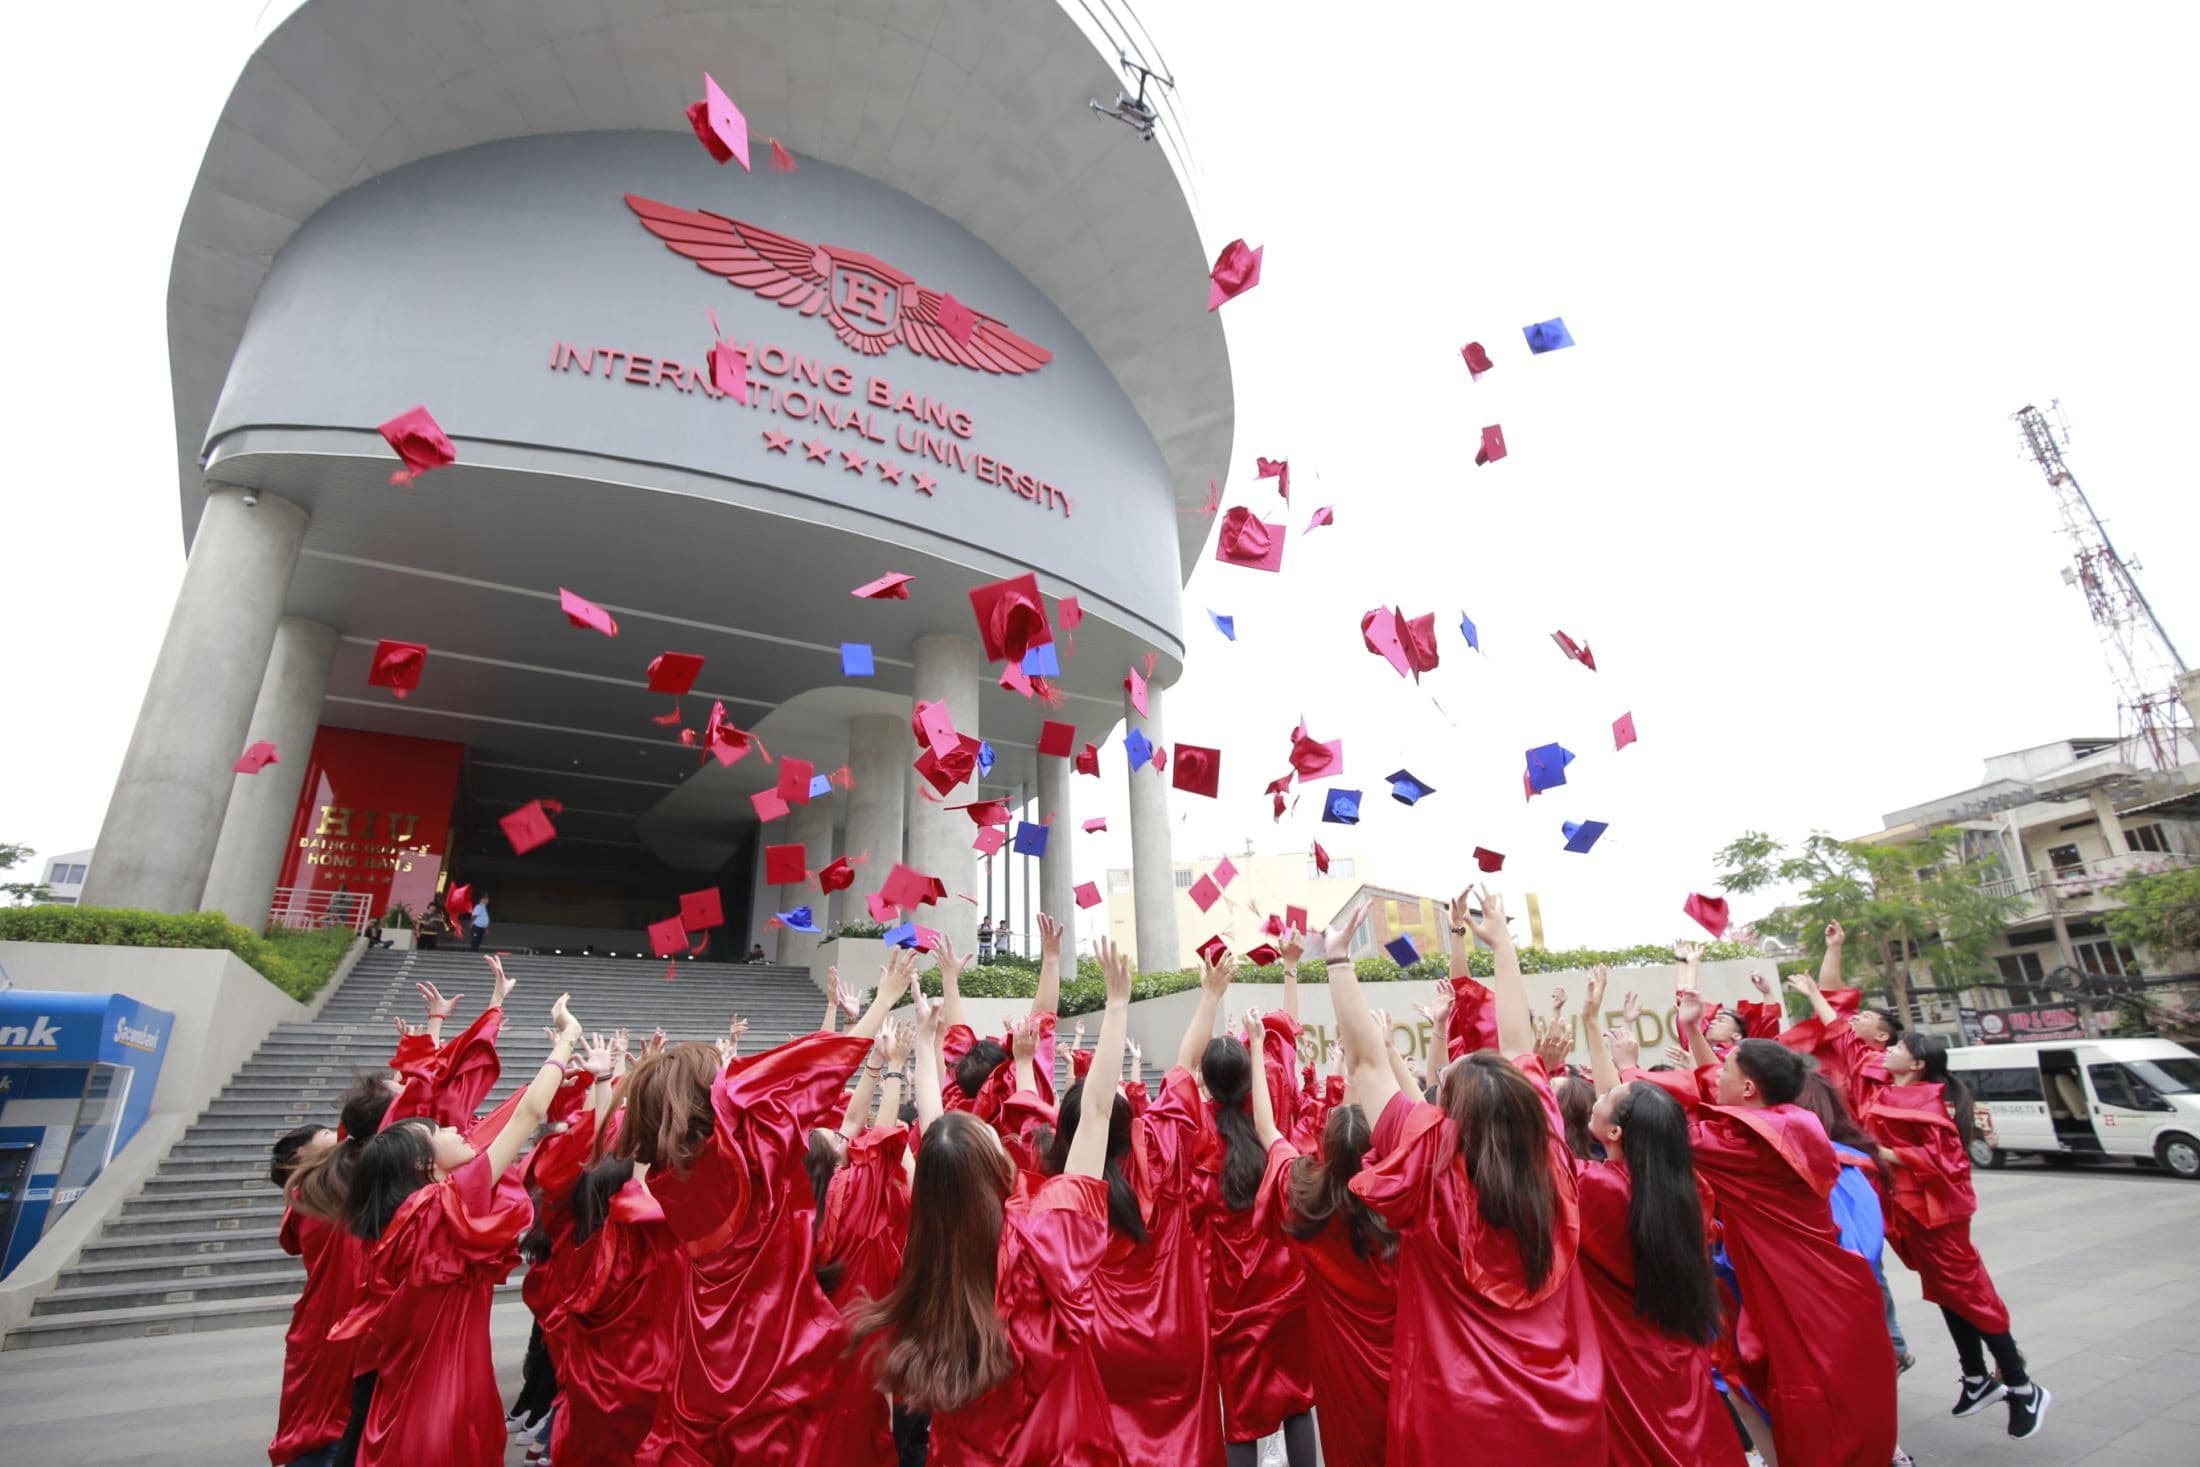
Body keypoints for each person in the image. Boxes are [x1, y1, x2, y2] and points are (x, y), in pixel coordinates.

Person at [605, 949, 915, 1462]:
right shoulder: (748, 1162)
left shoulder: (667, 1177)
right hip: (769, 1345)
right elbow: (817, 1072)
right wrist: (883, 1000)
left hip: (708, 1350)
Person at [1341, 887, 1608, 1462]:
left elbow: (1364, 1063)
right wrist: (1502, 944)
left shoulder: (1424, 1168)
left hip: (1456, 1416)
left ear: (1448, 1113)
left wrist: (1339, 962)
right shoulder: (1551, 1150)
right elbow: (1516, 1044)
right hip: (1559, 1405)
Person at [848, 936, 1138, 1464]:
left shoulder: (933, 1258)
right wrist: (1116, 1004)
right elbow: (1095, 1114)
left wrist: (925, 1044)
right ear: (994, 1168)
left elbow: (939, 1143)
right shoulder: (1041, 1237)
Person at [328, 993, 585, 1466]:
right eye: (439, 1132)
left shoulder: (407, 1220)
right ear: (425, 1164)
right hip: (443, 1406)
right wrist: (567, 1035)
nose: (455, 1131)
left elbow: (507, 1122)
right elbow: (526, 1117)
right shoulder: (442, 1209)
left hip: (410, 1400)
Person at [1657, 1020, 1900, 1467]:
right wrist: (1691, 1027)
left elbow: (1653, 1130)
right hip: (1832, 1301)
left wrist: (1623, 1067)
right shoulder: (1790, 1122)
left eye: (1725, 1063)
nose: (1715, 1072)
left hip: (1808, 1313)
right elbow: (1716, 1088)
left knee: (1821, 1432)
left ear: (1748, 1086)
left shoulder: (1749, 1143)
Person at [1042, 939, 1226, 1463]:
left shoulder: (1067, 1193)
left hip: (1105, 1347)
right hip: (1178, 1337)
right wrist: (1209, 996)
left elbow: (1093, 1109)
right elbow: (1187, 1062)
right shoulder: (1165, 1142)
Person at [1574, 965, 1745, 1467]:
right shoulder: (1690, 1188)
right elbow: (1629, 1114)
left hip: (1622, 1360)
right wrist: (1592, 1025)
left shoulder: (1595, 1188)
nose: (1599, 1091)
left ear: (1617, 1134)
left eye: (1605, 1095)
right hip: (1679, 1356)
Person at [1244, 978, 1403, 1467]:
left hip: (1341, 1361)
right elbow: (1422, 1126)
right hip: (1405, 1355)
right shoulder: (1405, 1203)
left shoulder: (1303, 1197)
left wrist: (1254, 1048)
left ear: (1326, 1148)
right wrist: (1383, 1051)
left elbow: (1267, 1129)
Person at [1865, 1030, 2048, 1439]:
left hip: (1938, 1215)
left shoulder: (1927, 1099)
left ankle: (2022, 1386)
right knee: (1947, 1292)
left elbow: (1945, 1162)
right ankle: (1976, 1377)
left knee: (1968, 1293)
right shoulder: (1891, 1091)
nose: (1888, 1051)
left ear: (1917, 1065)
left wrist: (1885, 1154)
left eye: (1897, 1048)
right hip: (1914, 1214)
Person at [1195, 974, 1317, 1467]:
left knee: (1242, 1417)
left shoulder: (1197, 1131)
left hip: (1232, 1302)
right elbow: (1286, 1052)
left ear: (1205, 1082)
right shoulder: (1275, 1121)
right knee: (1297, 1403)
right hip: (1286, 1288)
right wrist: (1287, 976)